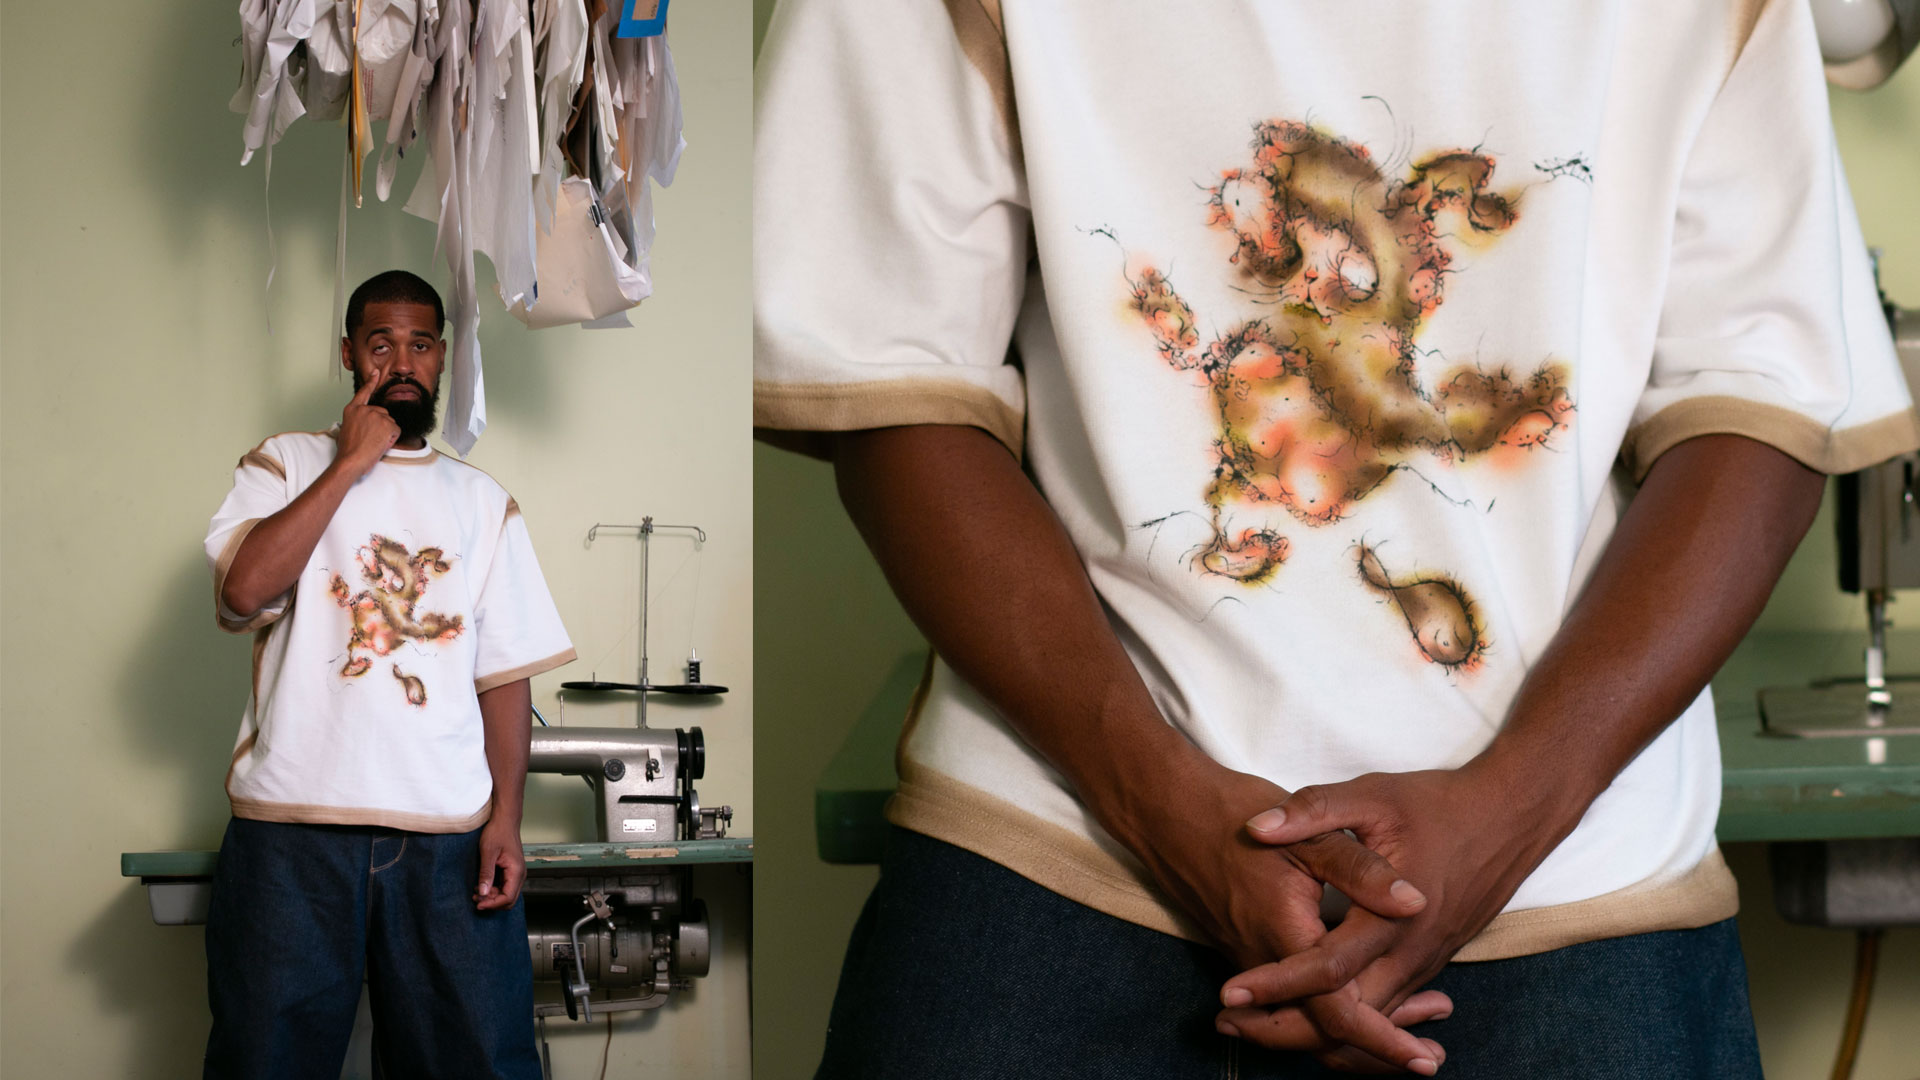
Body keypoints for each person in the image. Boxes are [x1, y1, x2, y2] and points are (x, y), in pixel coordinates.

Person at [752, 0, 1918, 1076]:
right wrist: (1163, 803)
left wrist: (1511, 806)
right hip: (1063, 854)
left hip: (1566, 887)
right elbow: (892, 384)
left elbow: (1753, 413)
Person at [201, 270, 576, 1079]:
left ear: (442, 359)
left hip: (445, 838)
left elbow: (503, 679)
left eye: (420, 344)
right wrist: (349, 463)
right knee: (263, 1063)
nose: (401, 361)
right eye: (380, 344)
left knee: (477, 1063)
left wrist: (506, 819)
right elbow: (242, 591)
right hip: (291, 834)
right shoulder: (286, 464)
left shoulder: (482, 503)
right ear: (348, 354)